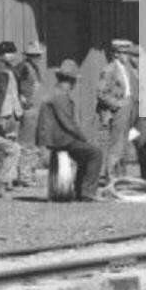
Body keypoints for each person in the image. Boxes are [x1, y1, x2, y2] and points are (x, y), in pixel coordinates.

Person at [36, 58, 105, 202]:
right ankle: (87, 192)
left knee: (85, 154)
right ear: (71, 81)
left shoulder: (55, 93)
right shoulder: (60, 96)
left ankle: (81, 191)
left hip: (56, 138)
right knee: (95, 153)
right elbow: (68, 123)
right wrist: (84, 138)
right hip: (61, 139)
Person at [97, 39, 138, 185]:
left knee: (124, 142)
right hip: (118, 110)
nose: (126, 55)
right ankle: (110, 175)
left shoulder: (126, 69)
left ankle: (121, 175)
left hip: (129, 107)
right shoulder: (109, 70)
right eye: (123, 53)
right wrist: (117, 104)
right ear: (115, 54)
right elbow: (101, 93)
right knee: (116, 143)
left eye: (127, 52)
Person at [0, 41, 28, 187]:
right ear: (0, 55)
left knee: (14, 144)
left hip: (14, 111)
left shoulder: (14, 70)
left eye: (12, 52)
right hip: (2, 112)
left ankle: (9, 179)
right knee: (2, 147)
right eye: (7, 52)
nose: (10, 55)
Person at [121, 41, 146, 180]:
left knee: (142, 139)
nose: (139, 60)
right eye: (136, 56)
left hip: (136, 115)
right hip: (125, 114)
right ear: (130, 57)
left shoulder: (139, 72)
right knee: (122, 143)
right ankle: (118, 175)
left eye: (140, 57)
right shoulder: (124, 71)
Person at [16, 41, 47, 184]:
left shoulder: (34, 68)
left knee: (34, 144)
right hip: (28, 109)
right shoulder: (23, 67)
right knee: (25, 144)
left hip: (36, 108)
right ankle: (24, 176)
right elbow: (14, 85)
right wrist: (22, 100)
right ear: (28, 55)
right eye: (34, 55)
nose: (37, 57)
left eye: (38, 55)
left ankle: (30, 173)